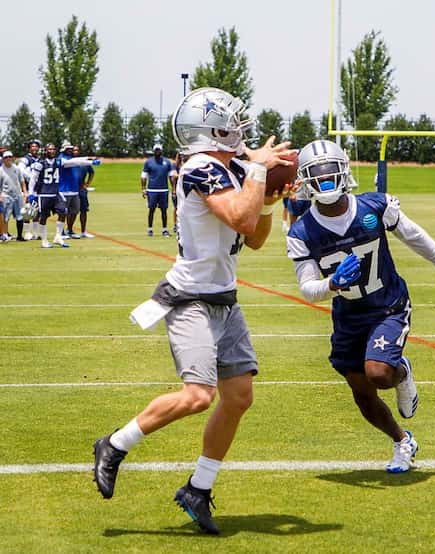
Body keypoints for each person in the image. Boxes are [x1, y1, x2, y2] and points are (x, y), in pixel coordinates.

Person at [92, 87, 294, 535]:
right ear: (212, 130)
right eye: (232, 124)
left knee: (239, 397)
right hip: (190, 300)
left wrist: (269, 196)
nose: (241, 130)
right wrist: (259, 172)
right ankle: (114, 444)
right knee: (198, 396)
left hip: (225, 299)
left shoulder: (231, 168)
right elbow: (241, 219)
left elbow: (255, 236)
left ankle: (198, 489)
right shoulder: (201, 167)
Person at [286, 139, 435, 474]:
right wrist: (332, 284)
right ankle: (402, 440)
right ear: (305, 180)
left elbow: (415, 236)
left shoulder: (374, 208)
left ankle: (400, 370)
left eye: (331, 172)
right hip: (348, 316)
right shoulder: (301, 231)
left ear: (344, 171)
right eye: (317, 174)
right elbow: (307, 289)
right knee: (361, 392)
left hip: (386, 305)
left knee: (379, 373)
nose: (326, 180)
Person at [28, 142, 99, 248]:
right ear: (45, 151)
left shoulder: (59, 161)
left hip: (56, 193)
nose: (51, 151)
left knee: (63, 212)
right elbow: (33, 179)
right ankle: (44, 240)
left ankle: (58, 236)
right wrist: (31, 194)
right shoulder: (40, 163)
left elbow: (74, 162)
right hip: (44, 194)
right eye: (49, 149)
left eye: (53, 149)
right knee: (43, 217)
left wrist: (90, 161)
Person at [141, 143, 176, 237]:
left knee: (164, 210)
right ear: (154, 151)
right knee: (151, 210)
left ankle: (164, 230)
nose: (158, 151)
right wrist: (143, 189)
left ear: (161, 150)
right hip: (152, 190)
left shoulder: (167, 162)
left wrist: (173, 189)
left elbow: (171, 176)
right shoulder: (148, 162)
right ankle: (150, 229)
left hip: (164, 190)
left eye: (159, 150)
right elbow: (144, 176)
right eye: (156, 150)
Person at [57, 142, 83, 239]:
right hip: (64, 190)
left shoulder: (73, 159)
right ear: (63, 149)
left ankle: (70, 230)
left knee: (75, 211)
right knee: (63, 212)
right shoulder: (61, 158)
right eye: (68, 149)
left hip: (74, 189)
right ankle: (61, 232)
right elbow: (69, 164)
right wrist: (89, 161)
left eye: (71, 149)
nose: (70, 150)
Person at [1, 151, 28, 241]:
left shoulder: (16, 168)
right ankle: (4, 234)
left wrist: (25, 192)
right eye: (6, 157)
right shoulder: (1, 170)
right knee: (5, 216)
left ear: (12, 158)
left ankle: (19, 236)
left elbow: (22, 181)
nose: (8, 158)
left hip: (17, 195)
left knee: (20, 216)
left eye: (10, 157)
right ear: (3, 159)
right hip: (6, 195)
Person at [18, 140, 41, 240]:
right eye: (33, 147)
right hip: (27, 189)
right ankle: (27, 233)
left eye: (36, 147)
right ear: (29, 148)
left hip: (38, 189)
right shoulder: (26, 159)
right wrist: (32, 177)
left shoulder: (40, 159)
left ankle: (35, 233)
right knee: (27, 211)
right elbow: (20, 170)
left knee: (36, 212)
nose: (35, 148)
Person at [73, 145, 96, 238]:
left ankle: (83, 231)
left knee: (84, 210)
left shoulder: (85, 162)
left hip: (82, 189)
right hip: (71, 189)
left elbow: (92, 172)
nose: (75, 152)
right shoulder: (69, 162)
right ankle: (68, 230)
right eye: (74, 150)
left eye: (77, 150)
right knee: (71, 211)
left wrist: (87, 183)